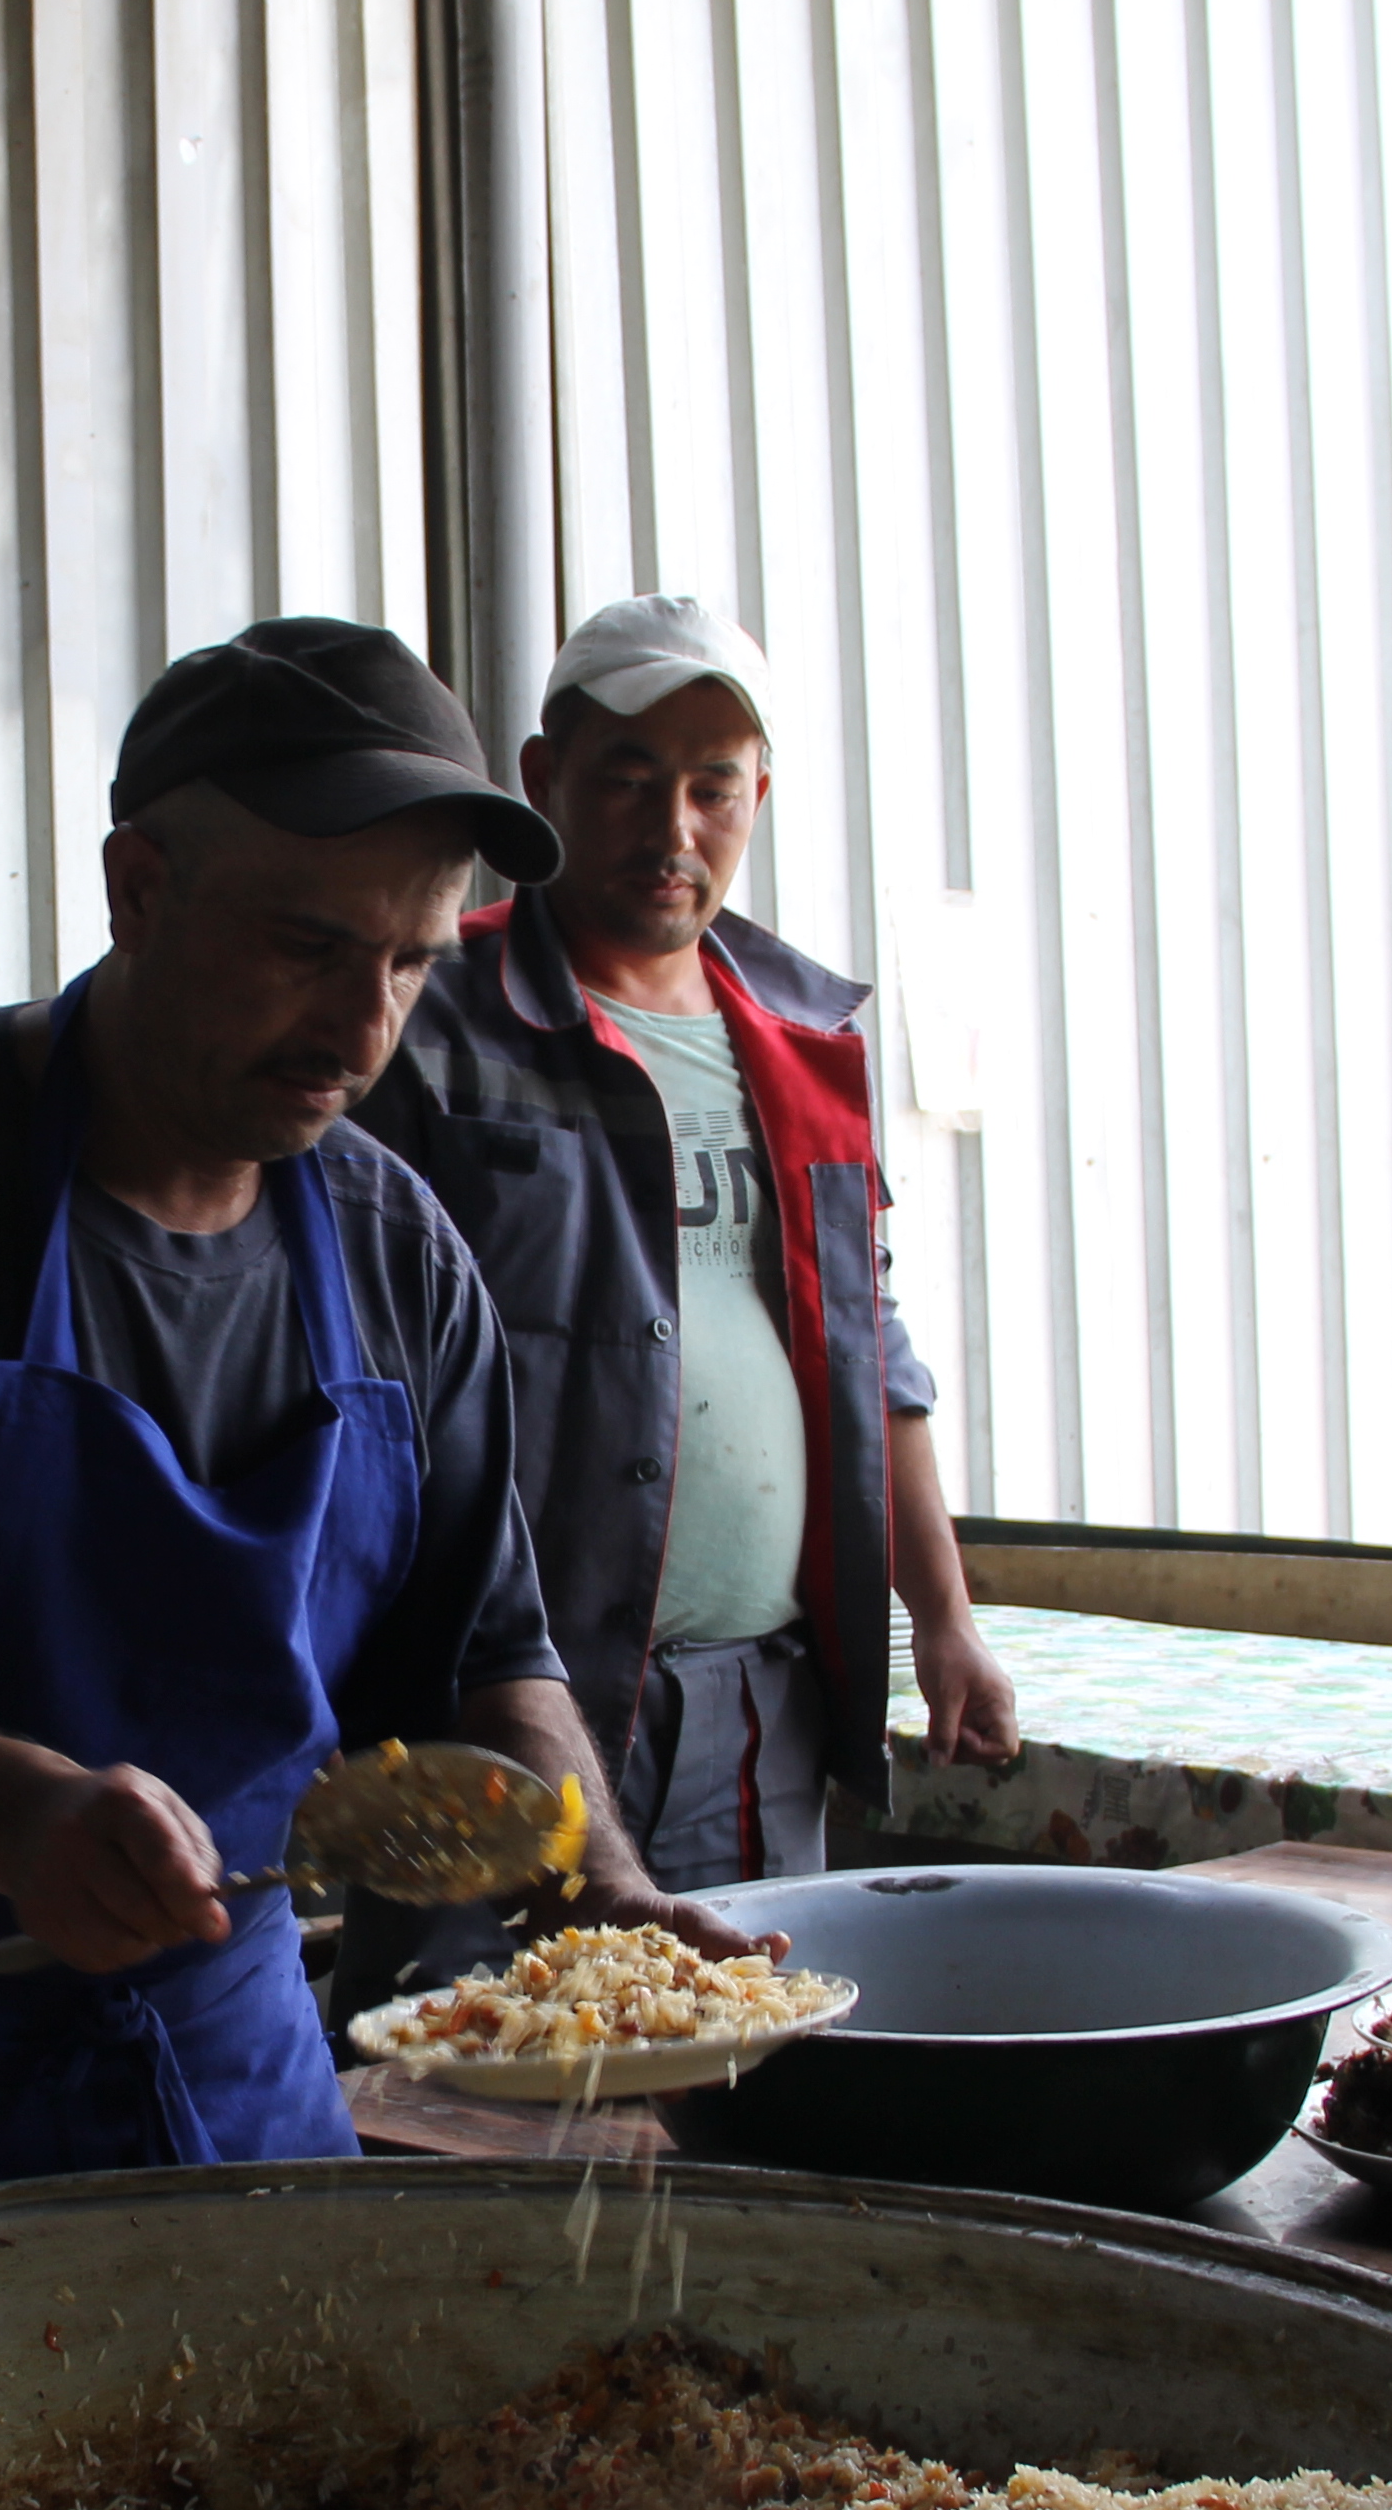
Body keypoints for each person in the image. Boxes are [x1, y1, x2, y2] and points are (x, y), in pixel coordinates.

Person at [0, 617, 741, 2228]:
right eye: (305, 945)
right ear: (139, 888)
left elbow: (490, 1663)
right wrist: (18, 1816)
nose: (364, 1028)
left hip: (239, 2081)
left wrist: (611, 1899)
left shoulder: (397, 1249)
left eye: (412, 962)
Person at [348, 593, 1017, 1904]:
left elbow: (869, 1343)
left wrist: (943, 1619)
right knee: (486, 2069)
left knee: (739, 2067)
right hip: (498, 1700)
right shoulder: (432, 1024)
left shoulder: (803, 1039)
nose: (675, 830)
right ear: (544, 782)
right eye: (630, 780)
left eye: (715, 789)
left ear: (759, 795)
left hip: (755, 1704)